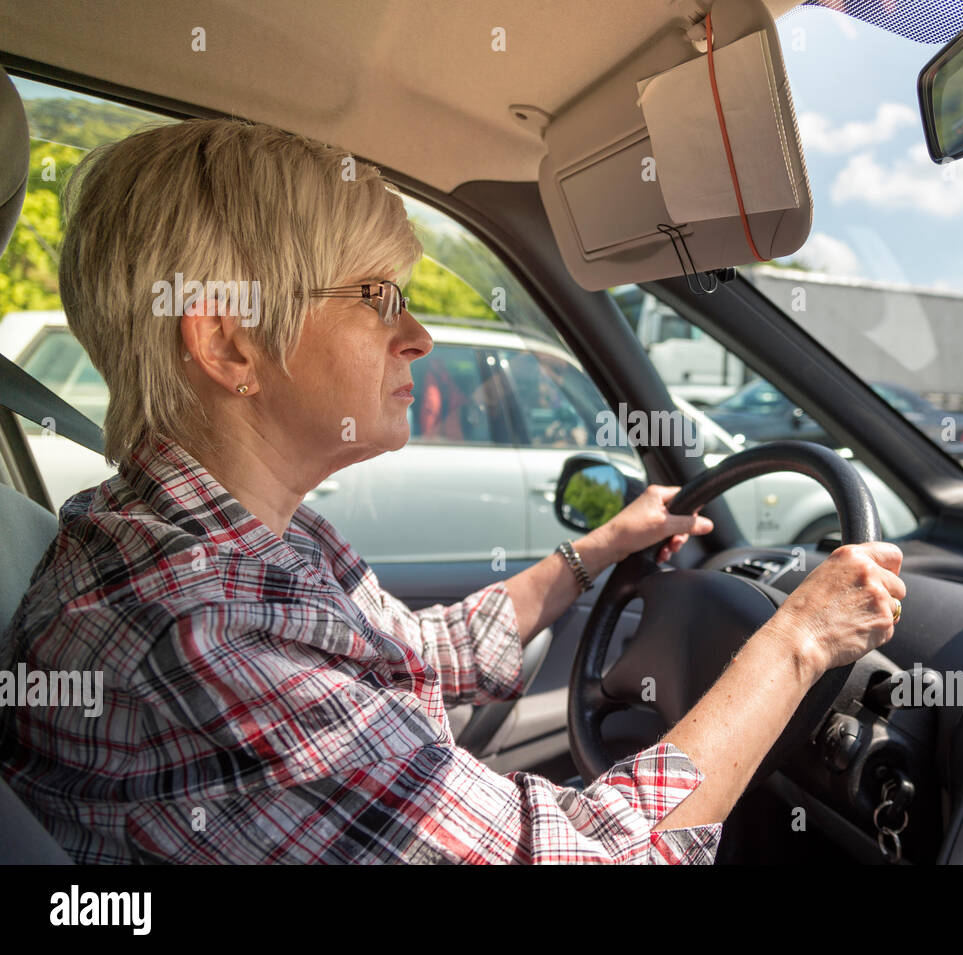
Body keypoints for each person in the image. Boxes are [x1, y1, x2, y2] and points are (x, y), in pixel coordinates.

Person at [0, 118, 905, 864]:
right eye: (379, 295)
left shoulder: (198, 542)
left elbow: (425, 651)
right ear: (230, 344)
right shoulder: (204, 626)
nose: (420, 335)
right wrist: (800, 637)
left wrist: (600, 550)